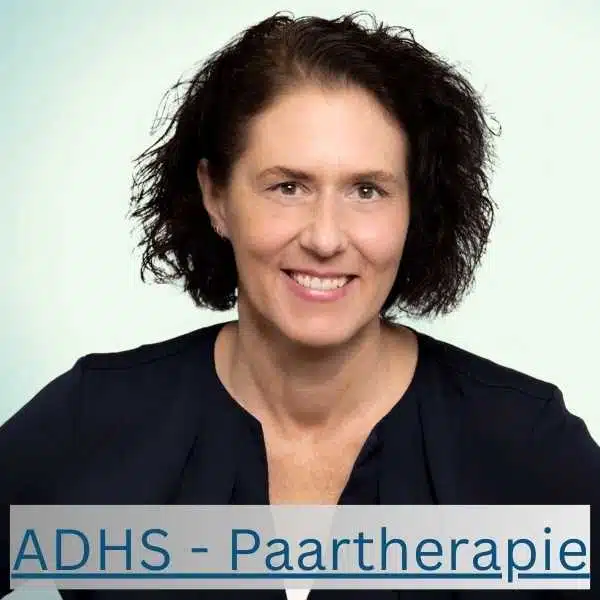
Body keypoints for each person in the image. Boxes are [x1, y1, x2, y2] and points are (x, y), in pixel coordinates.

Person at [1, 11, 599, 600]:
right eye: (288, 187)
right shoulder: (96, 418)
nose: (325, 237)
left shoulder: (524, 443)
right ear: (215, 196)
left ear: (414, 210)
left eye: (367, 190)